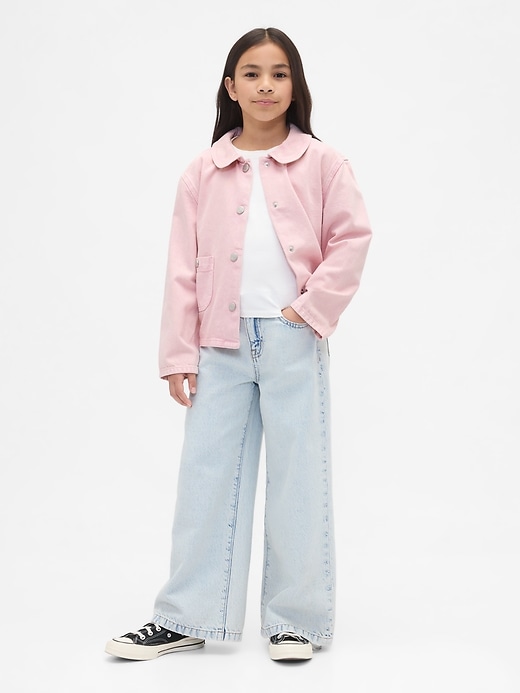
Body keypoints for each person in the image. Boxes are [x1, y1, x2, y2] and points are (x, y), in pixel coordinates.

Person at [105, 26, 372, 663]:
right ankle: (187, 616)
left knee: (299, 479)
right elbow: (181, 265)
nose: (266, 86)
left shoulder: (323, 163)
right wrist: (178, 354)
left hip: (293, 338)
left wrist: (307, 311)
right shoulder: (204, 170)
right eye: (252, 74)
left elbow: (352, 239)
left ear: (295, 86)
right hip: (217, 346)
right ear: (231, 86)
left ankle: (295, 621)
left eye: (279, 74)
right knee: (205, 479)